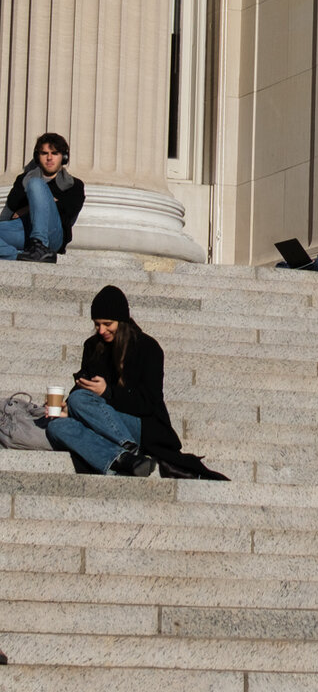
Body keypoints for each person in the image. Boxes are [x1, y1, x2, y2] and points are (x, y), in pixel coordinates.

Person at [44, 285, 223, 479]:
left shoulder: (148, 348)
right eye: (97, 324)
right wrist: (66, 409)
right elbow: (84, 386)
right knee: (56, 426)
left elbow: (148, 404)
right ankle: (125, 459)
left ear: (122, 321)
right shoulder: (92, 346)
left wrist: (107, 393)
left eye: (107, 323)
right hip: (100, 418)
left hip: (142, 424)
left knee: (79, 400)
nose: (101, 330)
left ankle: (128, 446)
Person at [1, 133, 85, 263]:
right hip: (22, 230)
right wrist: (48, 201)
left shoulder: (75, 185)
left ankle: (40, 246)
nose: (49, 158)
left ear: (64, 157)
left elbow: (67, 214)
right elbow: (9, 212)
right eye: (44, 153)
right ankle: (19, 255)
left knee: (35, 184)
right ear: (37, 156)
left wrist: (29, 207)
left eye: (55, 153)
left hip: (52, 233)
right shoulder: (23, 180)